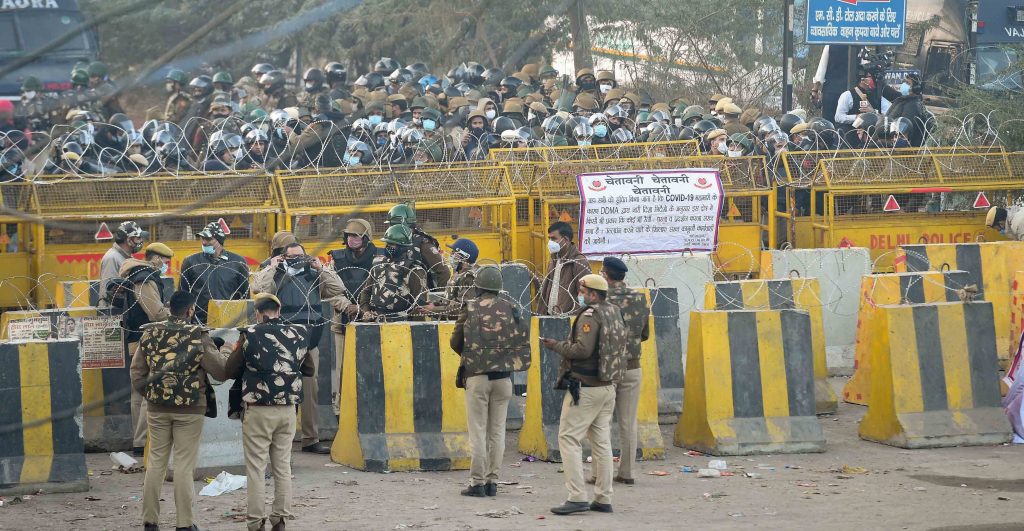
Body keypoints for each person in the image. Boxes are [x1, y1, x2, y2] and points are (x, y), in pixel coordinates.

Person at [133, 291, 231, 531]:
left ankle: (150, 522)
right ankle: (185, 524)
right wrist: (226, 351)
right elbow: (220, 371)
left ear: (169, 308)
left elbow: (137, 372)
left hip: (157, 410)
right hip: (190, 410)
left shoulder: (150, 333)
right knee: (184, 466)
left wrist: (154, 396)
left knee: (156, 462)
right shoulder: (198, 336)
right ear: (190, 310)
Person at [252, 241, 352, 455]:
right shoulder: (275, 274)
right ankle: (281, 441)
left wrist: (321, 268)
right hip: (281, 343)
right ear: (283, 257)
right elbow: (258, 289)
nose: (297, 260)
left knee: (310, 390)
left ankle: (310, 438)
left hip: (309, 340)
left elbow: (338, 288)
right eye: (292, 256)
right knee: (283, 390)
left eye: (301, 256)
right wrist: (272, 266)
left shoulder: (313, 274)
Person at [540, 274, 628, 516]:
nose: (579, 294)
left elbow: (582, 350)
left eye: (581, 290)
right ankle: (603, 497)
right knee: (601, 443)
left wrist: (555, 345)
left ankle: (577, 496)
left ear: (592, 294)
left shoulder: (589, 316)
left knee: (568, 439)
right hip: (607, 387)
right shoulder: (614, 311)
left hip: (586, 388)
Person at [225, 293, 313, 531]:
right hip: (287, 410)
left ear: (258, 313)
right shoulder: (300, 333)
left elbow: (230, 370)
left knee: (255, 468)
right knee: (282, 467)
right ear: (278, 310)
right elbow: (310, 369)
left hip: (258, 409)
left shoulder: (249, 334)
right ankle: (280, 519)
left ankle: (255, 523)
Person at [450, 265, 529, 497]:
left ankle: (477, 483)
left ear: (478, 287)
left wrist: (474, 354)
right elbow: (520, 341)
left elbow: (456, 341)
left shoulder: (471, 308)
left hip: (477, 378)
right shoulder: (512, 309)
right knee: (497, 432)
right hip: (504, 379)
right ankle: (493, 481)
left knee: (478, 431)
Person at [119, 242, 173, 456]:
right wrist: (173, 316)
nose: (166, 266)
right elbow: (155, 313)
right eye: (166, 262)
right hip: (146, 339)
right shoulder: (145, 278)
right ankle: (142, 442)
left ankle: (139, 441)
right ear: (157, 258)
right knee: (146, 393)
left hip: (138, 338)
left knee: (138, 393)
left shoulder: (137, 274)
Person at [598, 257, 649, 485]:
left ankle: (601, 473)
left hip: (606, 368)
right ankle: (627, 472)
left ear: (604, 274)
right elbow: (645, 333)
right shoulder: (639, 298)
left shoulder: (601, 299)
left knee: (602, 422)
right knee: (628, 422)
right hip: (632, 365)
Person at [327, 219, 383, 402]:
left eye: (356, 236)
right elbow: (328, 288)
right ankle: (341, 406)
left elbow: (384, 286)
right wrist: (347, 306)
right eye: (349, 235)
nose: (351, 239)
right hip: (343, 320)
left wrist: (364, 308)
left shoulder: (380, 257)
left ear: (366, 237)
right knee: (343, 369)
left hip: (373, 317)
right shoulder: (336, 258)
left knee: (373, 367)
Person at [179, 221, 250, 325]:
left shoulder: (237, 262)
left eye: (208, 239)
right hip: (198, 322)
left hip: (228, 322)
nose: (204, 242)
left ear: (219, 240)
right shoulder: (191, 262)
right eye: (202, 238)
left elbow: (245, 296)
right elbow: (182, 294)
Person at [358, 224, 427, 321]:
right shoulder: (378, 265)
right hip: (375, 319)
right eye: (387, 244)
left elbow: (420, 304)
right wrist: (366, 311)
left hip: (401, 323)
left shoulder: (414, 270)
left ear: (403, 247)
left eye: (392, 244)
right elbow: (366, 291)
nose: (387, 247)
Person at [386, 202, 451, 289]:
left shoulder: (423, 243)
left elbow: (444, 272)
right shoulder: (394, 241)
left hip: (419, 297)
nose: (390, 229)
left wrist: (438, 297)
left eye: (392, 225)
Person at [537, 221, 590, 315]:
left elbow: (585, 295)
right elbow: (546, 290)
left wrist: (573, 316)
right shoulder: (554, 259)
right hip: (550, 316)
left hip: (567, 318)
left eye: (553, 239)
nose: (550, 242)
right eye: (549, 238)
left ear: (565, 239)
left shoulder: (578, 261)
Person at [99, 221, 148, 305]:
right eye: (138, 238)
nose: (141, 241)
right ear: (129, 240)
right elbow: (108, 291)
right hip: (114, 313)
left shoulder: (128, 257)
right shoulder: (112, 258)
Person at [885, 72, 929, 147]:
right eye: (904, 82)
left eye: (908, 83)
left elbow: (903, 130)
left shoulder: (913, 106)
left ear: (915, 88)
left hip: (900, 146)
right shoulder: (903, 100)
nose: (904, 85)